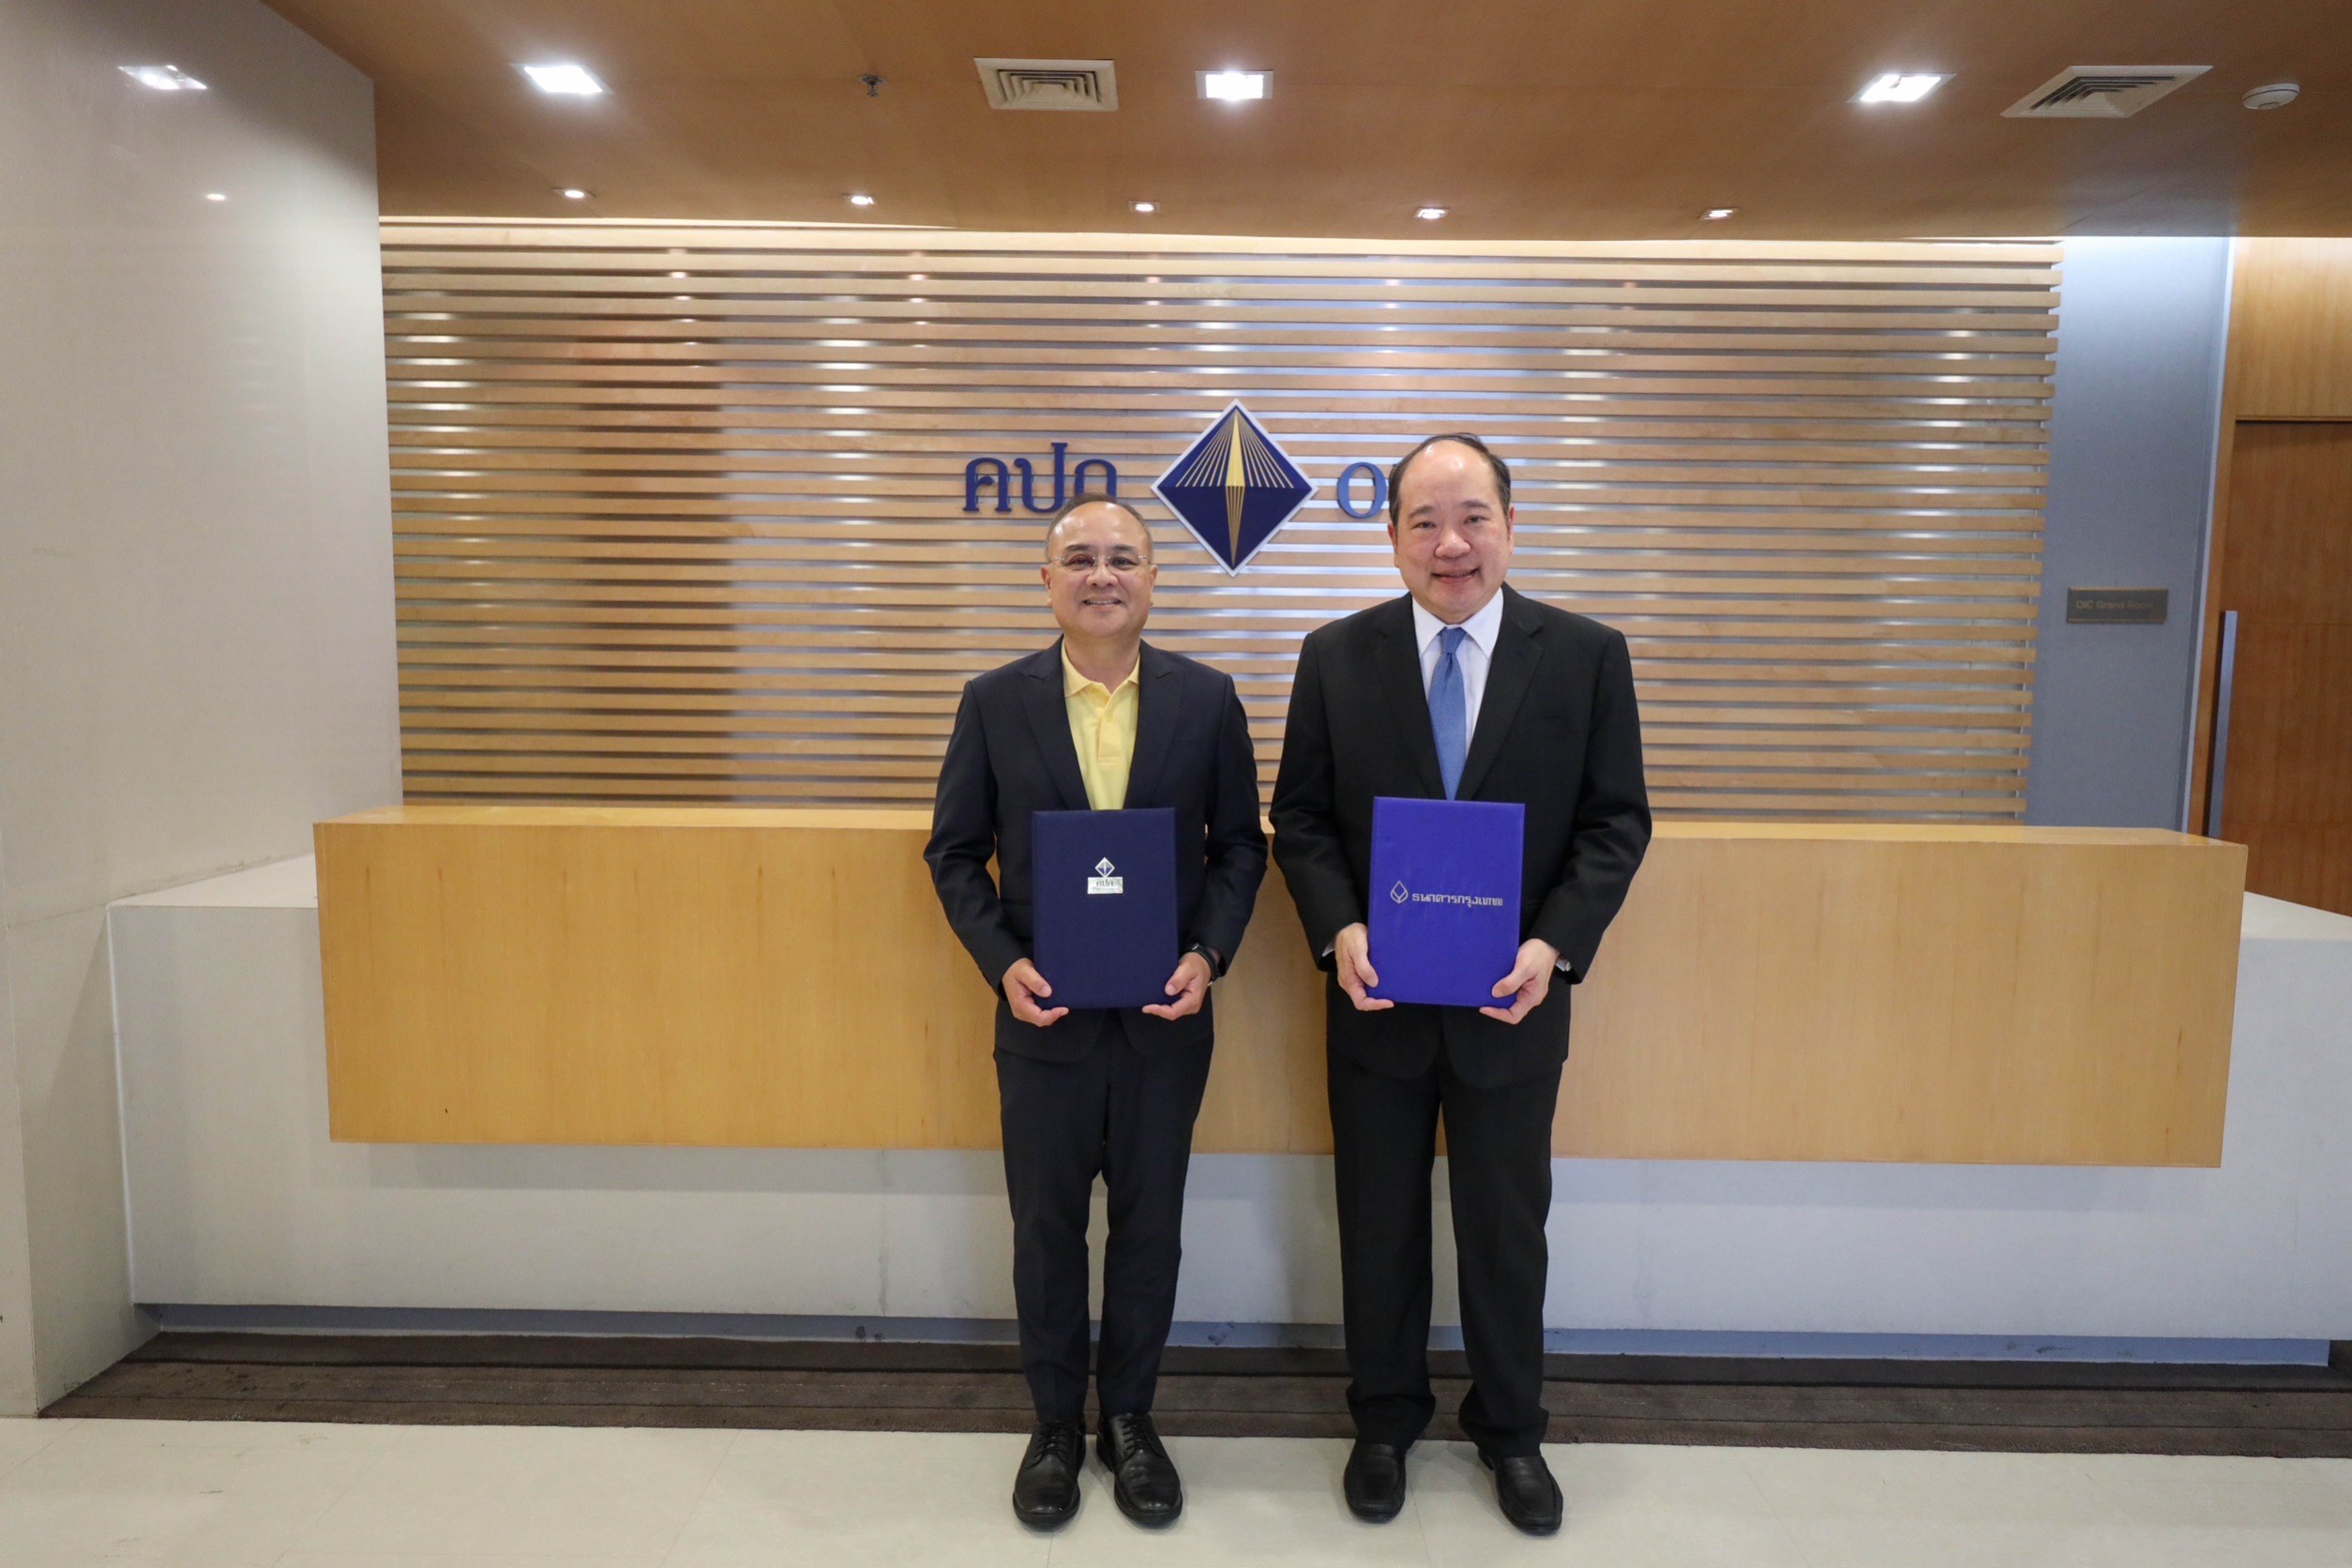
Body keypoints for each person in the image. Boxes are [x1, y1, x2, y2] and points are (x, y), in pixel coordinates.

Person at [1270, 434, 1650, 1535]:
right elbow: (1301, 818)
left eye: (1474, 517)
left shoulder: (1584, 655)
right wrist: (1338, 927)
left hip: (1510, 1003)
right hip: (1376, 1003)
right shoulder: (1335, 655)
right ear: (1391, 536)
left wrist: (1555, 945)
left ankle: (1512, 1430)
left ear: (1511, 527)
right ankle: (1384, 1422)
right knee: (1377, 1224)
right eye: (1425, 521)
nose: (1451, 543)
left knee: (1505, 1231)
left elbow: (1615, 822)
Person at [926, 494, 1267, 1530]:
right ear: (1047, 582)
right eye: (1079, 559)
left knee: (1151, 1228)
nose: (1102, 575)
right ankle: (1053, 1428)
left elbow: (1240, 848)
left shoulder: (1207, 700)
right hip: (1044, 1022)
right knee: (1046, 1229)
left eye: (1123, 558)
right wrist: (1003, 965)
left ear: (1154, 578)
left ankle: (1129, 1419)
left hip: (1167, 1020)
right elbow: (954, 854)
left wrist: (1209, 954)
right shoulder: (995, 702)